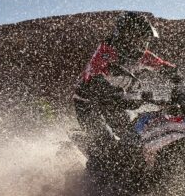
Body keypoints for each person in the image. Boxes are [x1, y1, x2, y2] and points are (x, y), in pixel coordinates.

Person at [73, 11, 175, 172]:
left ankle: (139, 172)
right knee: (105, 144)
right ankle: (98, 177)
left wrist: (180, 76)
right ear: (127, 36)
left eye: (145, 40)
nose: (143, 44)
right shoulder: (105, 53)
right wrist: (125, 96)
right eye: (139, 39)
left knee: (133, 137)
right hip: (88, 103)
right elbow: (94, 80)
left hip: (115, 101)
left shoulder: (139, 55)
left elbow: (162, 65)